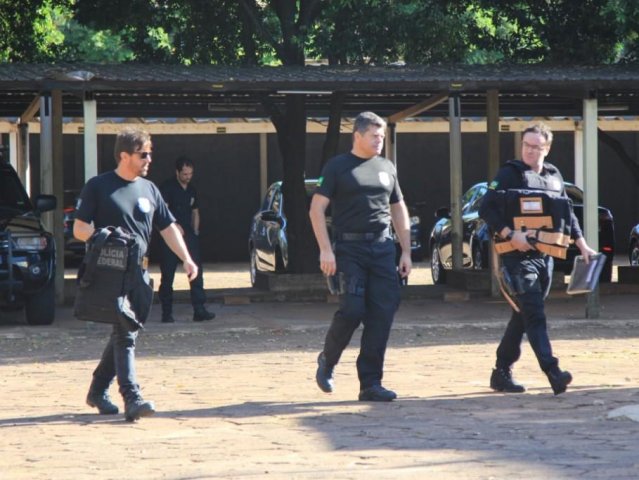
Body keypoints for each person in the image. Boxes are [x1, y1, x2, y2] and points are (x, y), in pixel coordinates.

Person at [74, 128, 198, 421]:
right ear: (124, 155)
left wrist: (187, 259)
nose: (149, 159)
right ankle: (132, 396)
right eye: (143, 154)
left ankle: (97, 389)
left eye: (150, 153)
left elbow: (167, 228)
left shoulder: (150, 189)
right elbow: (79, 228)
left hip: (139, 273)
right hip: (110, 272)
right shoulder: (98, 186)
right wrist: (102, 237)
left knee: (125, 330)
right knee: (125, 332)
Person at [479, 121, 596, 396]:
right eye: (526, 146)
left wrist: (583, 245)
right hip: (516, 258)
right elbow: (486, 209)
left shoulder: (555, 176)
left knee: (523, 315)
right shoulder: (508, 174)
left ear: (548, 148)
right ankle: (553, 372)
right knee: (535, 314)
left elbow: (568, 216)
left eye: (536, 147)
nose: (530, 151)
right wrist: (510, 234)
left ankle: (501, 372)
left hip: (546, 257)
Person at [309, 111, 412, 402]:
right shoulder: (337, 167)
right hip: (349, 249)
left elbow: (398, 209)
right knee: (353, 310)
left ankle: (370, 383)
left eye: (382, 136)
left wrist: (405, 251)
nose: (379, 141)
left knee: (382, 315)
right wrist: (325, 249)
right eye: (374, 136)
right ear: (358, 135)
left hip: (382, 249)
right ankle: (327, 361)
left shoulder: (387, 167)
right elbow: (316, 210)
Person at [158, 156, 214, 323]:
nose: (188, 177)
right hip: (170, 236)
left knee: (196, 273)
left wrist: (195, 231)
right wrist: (174, 225)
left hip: (189, 236)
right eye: (184, 174)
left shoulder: (191, 190)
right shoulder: (167, 188)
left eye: (190, 174)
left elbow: (195, 211)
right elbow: (163, 212)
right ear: (177, 172)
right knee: (167, 276)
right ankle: (166, 313)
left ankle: (199, 310)